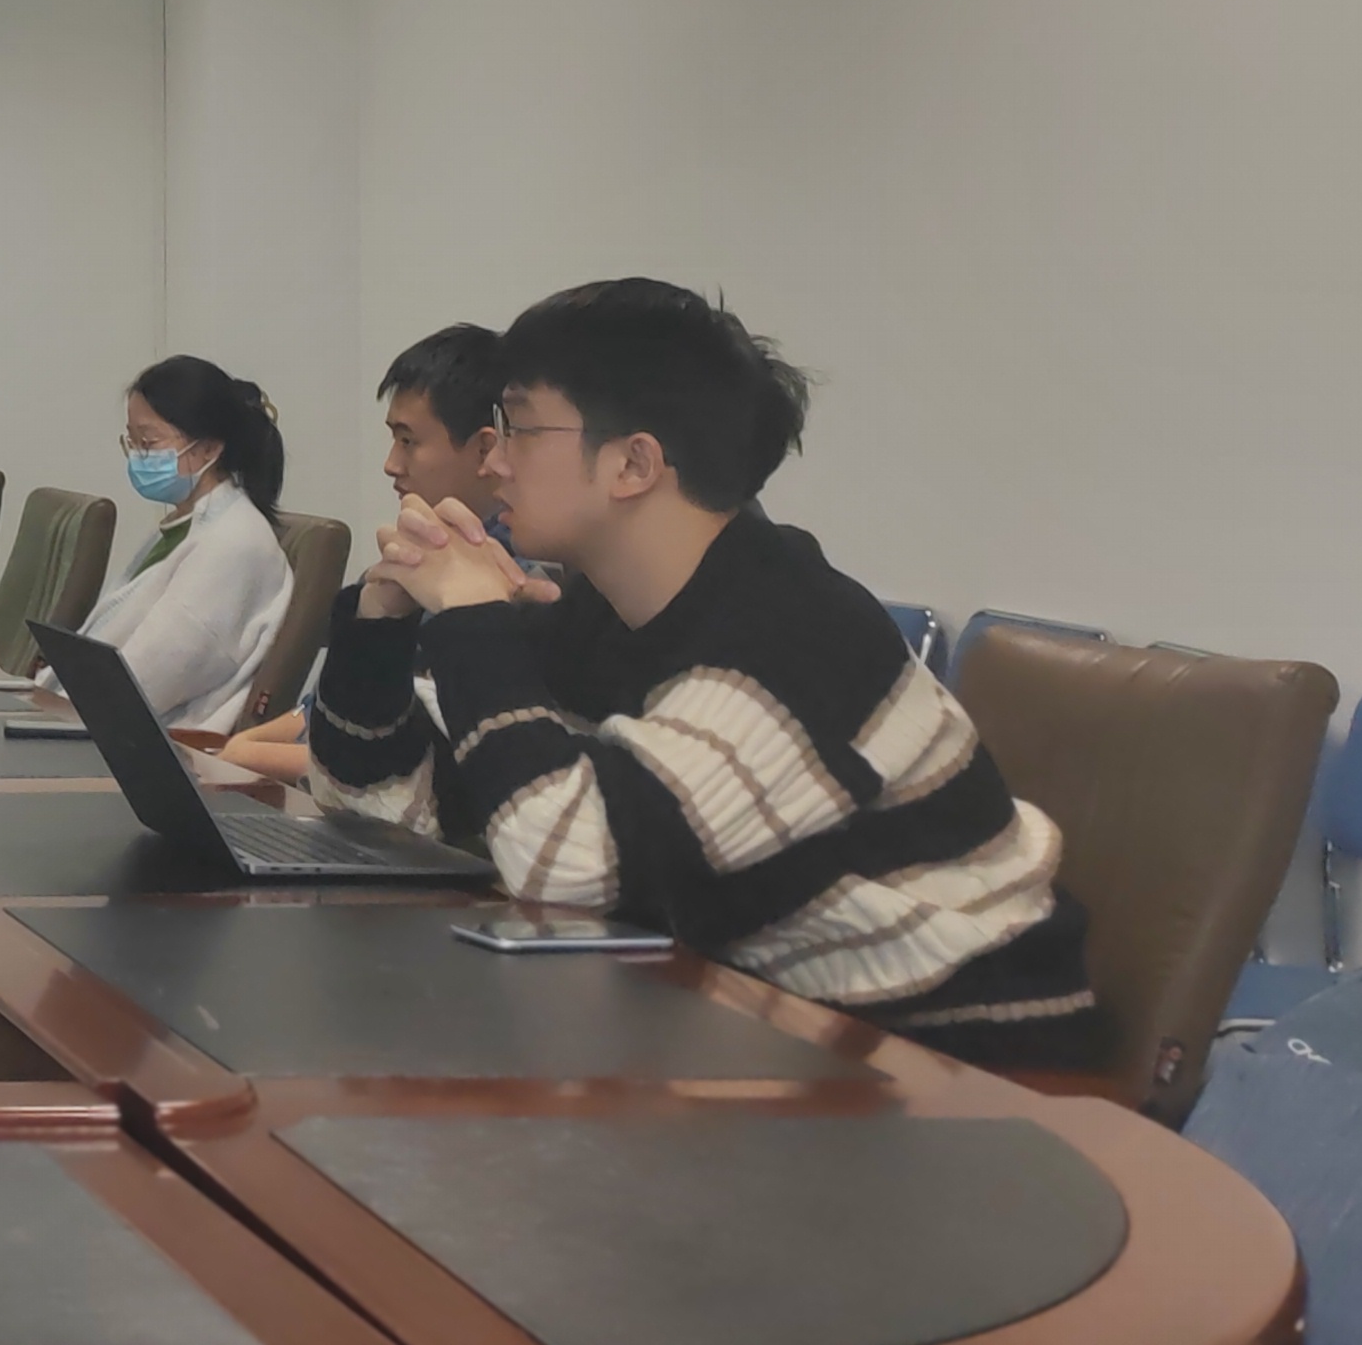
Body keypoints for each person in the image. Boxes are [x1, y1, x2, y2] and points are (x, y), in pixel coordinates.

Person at [304, 277, 1101, 1067]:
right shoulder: (606, 615)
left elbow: (562, 864)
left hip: (955, 1066)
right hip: (748, 1027)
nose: (495, 463)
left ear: (633, 464)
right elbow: (386, 815)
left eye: (518, 429)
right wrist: (380, 627)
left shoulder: (793, 634)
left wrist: (474, 621)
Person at [212, 325, 504, 782]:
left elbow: (424, 767)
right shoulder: (422, 556)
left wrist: (245, 755)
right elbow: (323, 711)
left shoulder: (507, 579)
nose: (390, 464)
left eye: (408, 441)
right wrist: (248, 744)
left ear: (485, 449)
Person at [54, 356, 294, 731]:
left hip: (159, 744)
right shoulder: (188, 524)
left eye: (148, 442)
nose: (138, 456)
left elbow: (145, 681)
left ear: (209, 449)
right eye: (132, 442)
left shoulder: (235, 544)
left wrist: (39, 703)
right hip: (108, 724)